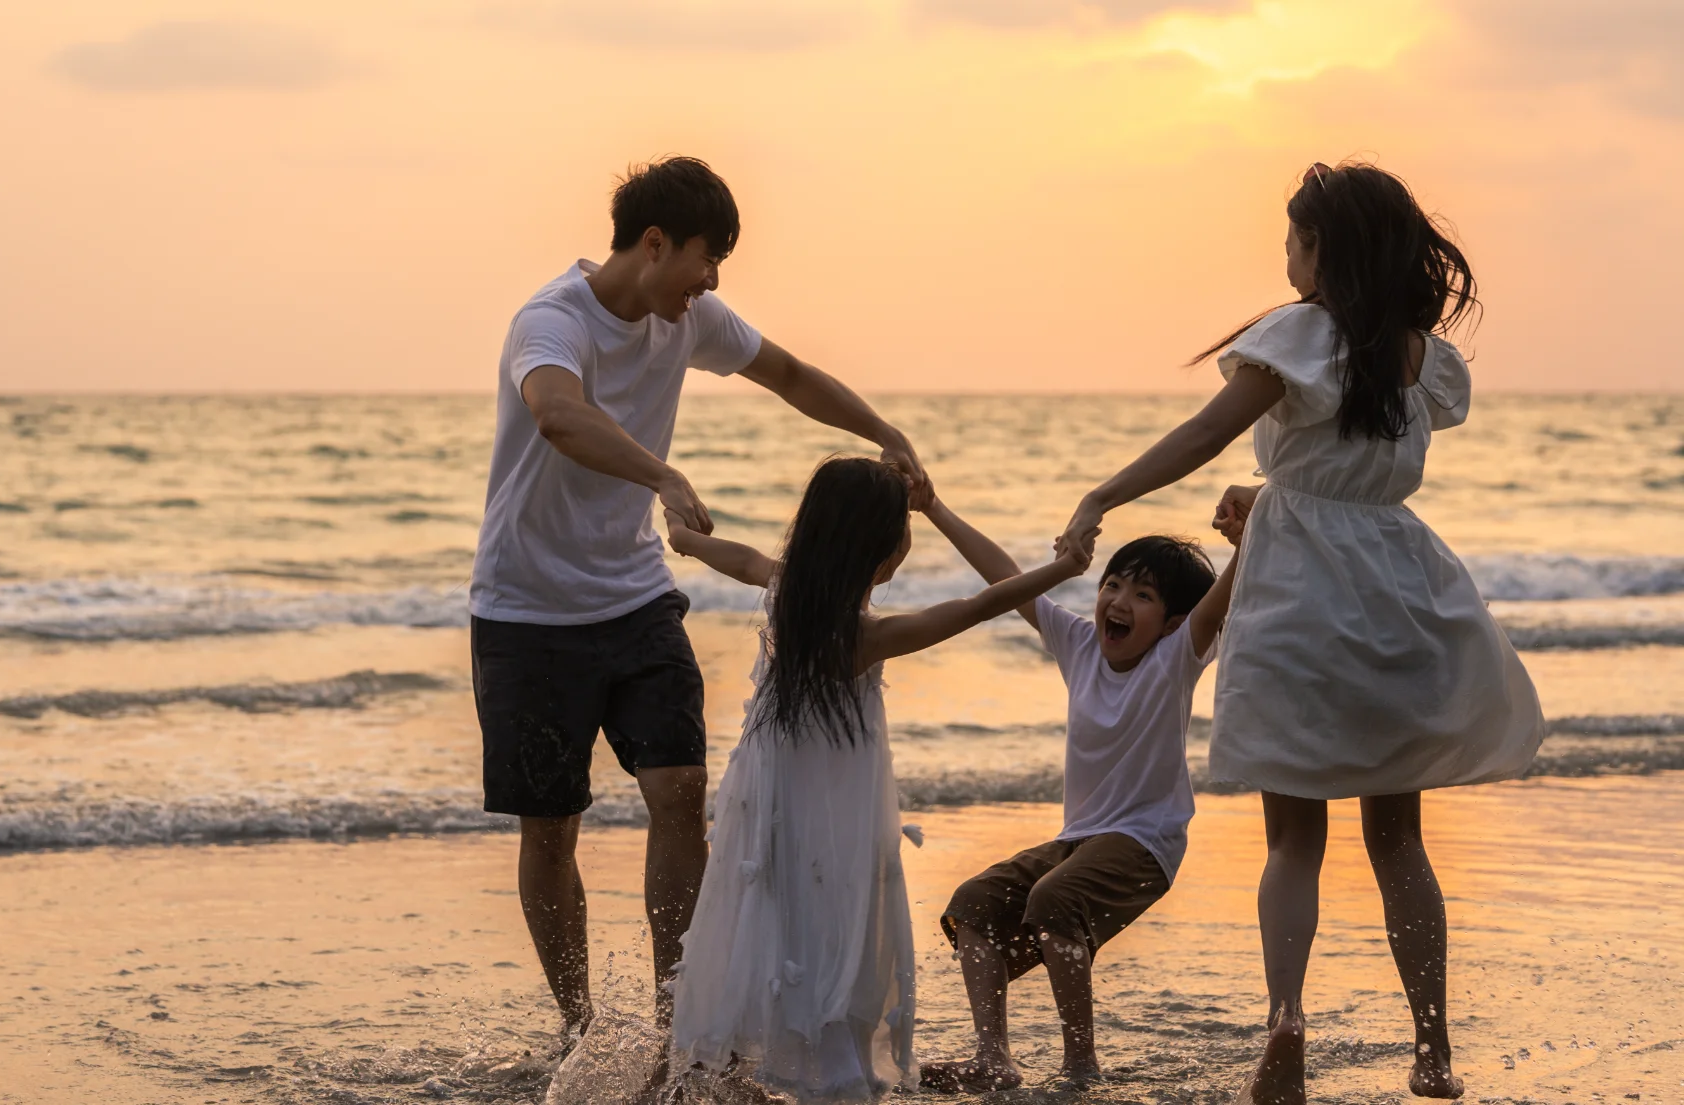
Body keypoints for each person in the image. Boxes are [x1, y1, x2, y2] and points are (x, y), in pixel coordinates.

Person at [1057, 161, 1545, 1104]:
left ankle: (1287, 1019)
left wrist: (1105, 493)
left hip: (1299, 601)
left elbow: (1205, 431)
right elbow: (1348, 470)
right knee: (1398, 838)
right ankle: (1433, 1048)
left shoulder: (1295, 335)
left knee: (1294, 840)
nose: (1284, 253)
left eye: (1292, 237)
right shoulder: (1415, 353)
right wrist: (1274, 494)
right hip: (1401, 590)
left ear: (1324, 249)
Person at [469, 157, 932, 1042]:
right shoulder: (549, 323)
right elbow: (557, 416)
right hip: (527, 611)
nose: (712, 281)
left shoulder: (691, 321)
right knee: (552, 829)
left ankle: (677, 1024)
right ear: (654, 244)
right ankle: (578, 1027)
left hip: (638, 594)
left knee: (680, 792)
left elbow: (791, 373)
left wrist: (882, 430)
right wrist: (662, 473)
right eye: (705, 259)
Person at [661, 457, 1097, 1102]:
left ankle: (731, 1054)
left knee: (765, 908)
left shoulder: (787, 595)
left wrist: (683, 535)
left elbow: (736, 556)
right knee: (831, 919)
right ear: (886, 548)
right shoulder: (866, 635)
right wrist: (1066, 568)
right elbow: (982, 604)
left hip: (763, 801)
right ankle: (824, 1064)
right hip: (832, 816)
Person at [919, 499, 1238, 1092]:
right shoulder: (1081, 644)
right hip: (1079, 838)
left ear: (1172, 622)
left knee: (1054, 899)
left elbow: (1217, 604)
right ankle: (993, 1058)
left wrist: (1251, 535)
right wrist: (933, 505)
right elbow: (1005, 577)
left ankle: (1080, 1066)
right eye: (1113, 584)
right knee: (975, 902)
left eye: (1143, 596)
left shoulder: (1176, 657)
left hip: (1147, 842)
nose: (1117, 602)